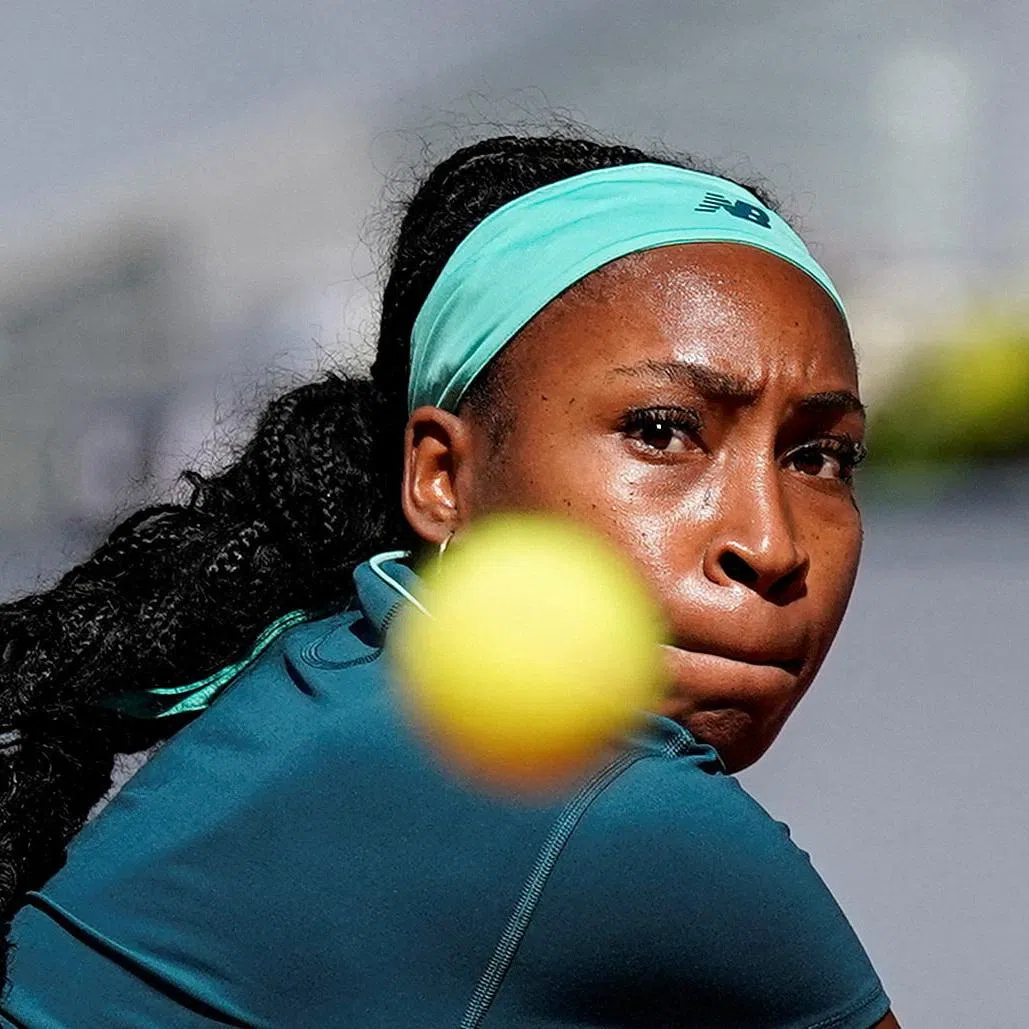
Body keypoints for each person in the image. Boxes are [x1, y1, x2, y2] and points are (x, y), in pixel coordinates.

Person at [0, 134, 900, 1027]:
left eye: (821, 456)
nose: (771, 543)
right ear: (441, 478)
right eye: (662, 430)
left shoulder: (337, 670)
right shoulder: (620, 813)